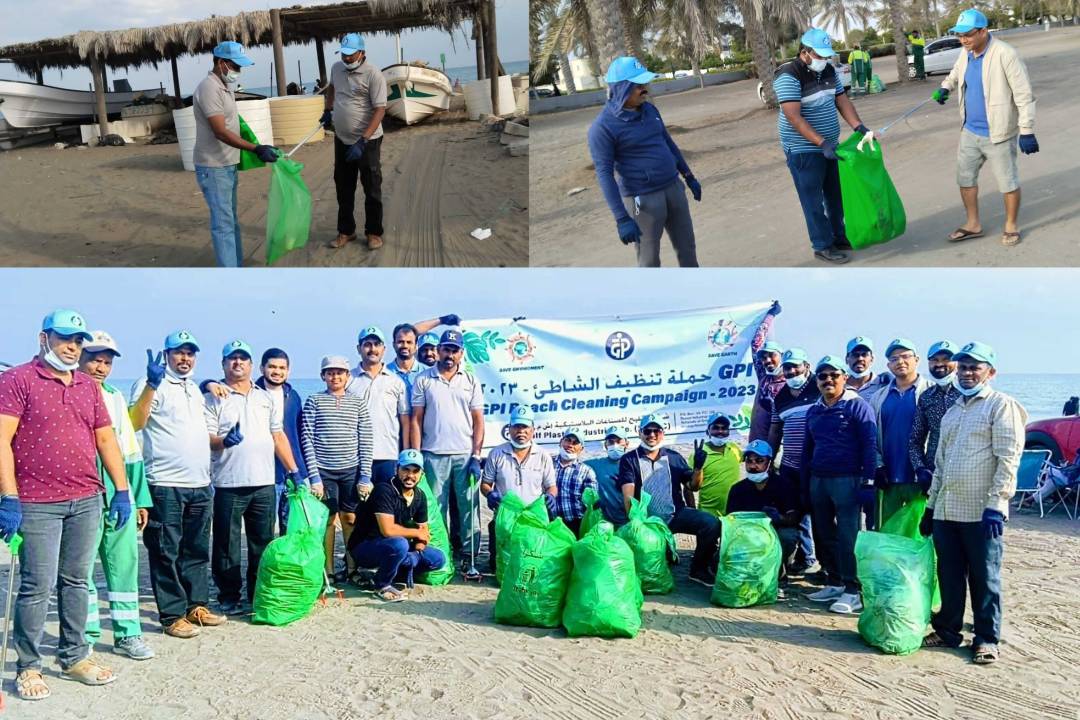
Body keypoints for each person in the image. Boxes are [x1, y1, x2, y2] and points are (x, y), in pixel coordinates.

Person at [0, 310, 132, 700]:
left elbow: (106, 439)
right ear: (44, 338)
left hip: (86, 499)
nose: (73, 347)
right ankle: (28, 666)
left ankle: (74, 657)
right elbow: (1, 440)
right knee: (37, 585)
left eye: (78, 341)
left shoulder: (88, 386)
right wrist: (8, 497)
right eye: (65, 338)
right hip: (36, 502)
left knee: (76, 581)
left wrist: (122, 490)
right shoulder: (17, 379)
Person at [919, 342, 1027, 664]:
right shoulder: (953, 412)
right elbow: (941, 464)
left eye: (974, 367)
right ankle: (948, 631)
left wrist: (997, 504)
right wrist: (930, 507)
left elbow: (1008, 459)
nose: (967, 373)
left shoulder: (1001, 406)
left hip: (982, 512)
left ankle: (986, 638)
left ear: (990, 372)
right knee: (949, 576)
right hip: (947, 509)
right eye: (963, 367)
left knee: (985, 578)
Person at [130, 330, 226, 639]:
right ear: (167, 354)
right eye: (178, 352)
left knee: (196, 550)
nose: (185, 358)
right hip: (165, 482)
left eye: (190, 353)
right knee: (165, 551)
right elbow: (135, 422)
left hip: (200, 483)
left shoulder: (193, 389)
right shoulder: (150, 384)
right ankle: (171, 615)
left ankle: (196, 606)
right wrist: (151, 384)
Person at [204, 340, 304, 615]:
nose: (238, 363)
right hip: (228, 483)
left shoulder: (265, 397)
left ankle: (257, 592)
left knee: (263, 542)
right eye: (232, 359)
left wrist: (294, 471)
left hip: (264, 483)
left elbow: (278, 435)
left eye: (243, 359)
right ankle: (228, 596)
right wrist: (224, 441)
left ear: (251, 365)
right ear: (223, 364)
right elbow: (207, 438)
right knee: (226, 545)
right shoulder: (214, 396)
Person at [78, 331, 155, 661]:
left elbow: (130, 450)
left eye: (107, 362)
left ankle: (128, 634)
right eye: (95, 360)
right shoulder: (67, 393)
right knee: (81, 569)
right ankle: (85, 635)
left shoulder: (114, 397)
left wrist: (139, 498)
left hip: (119, 495)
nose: (101, 367)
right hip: (82, 494)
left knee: (125, 566)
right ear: (79, 358)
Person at [933, 8, 1038, 247]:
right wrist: (945, 87)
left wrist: (1027, 130)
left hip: (998, 133)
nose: (963, 40)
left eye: (968, 34)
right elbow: (955, 74)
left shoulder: (1005, 54)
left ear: (983, 31)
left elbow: (1024, 95)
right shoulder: (966, 53)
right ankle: (973, 224)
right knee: (965, 179)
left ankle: (1011, 225)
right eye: (960, 35)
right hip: (969, 131)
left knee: (1007, 182)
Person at [587, 56, 701, 268]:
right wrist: (621, 218)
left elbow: (668, 143)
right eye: (638, 85)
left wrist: (689, 176)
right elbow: (604, 174)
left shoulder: (650, 110)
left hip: (673, 189)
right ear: (621, 88)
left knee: (688, 249)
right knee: (649, 259)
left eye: (645, 83)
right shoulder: (602, 128)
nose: (644, 89)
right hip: (642, 200)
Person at [774, 28, 874, 264]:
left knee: (835, 195)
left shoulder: (828, 70)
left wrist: (859, 126)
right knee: (813, 200)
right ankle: (822, 245)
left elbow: (842, 100)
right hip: (803, 149)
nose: (824, 60)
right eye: (820, 55)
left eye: (827, 55)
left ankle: (839, 236)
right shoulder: (788, 75)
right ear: (805, 52)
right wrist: (821, 143)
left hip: (830, 145)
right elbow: (793, 117)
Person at [801, 355, 877, 615]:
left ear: (845, 377)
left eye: (834, 375)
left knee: (848, 535)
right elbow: (807, 449)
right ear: (817, 381)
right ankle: (834, 582)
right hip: (819, 479)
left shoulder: (857, 406)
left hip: (847, 479)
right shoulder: (814, 410)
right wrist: (804, 484)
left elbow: (869, 445)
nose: (828, 380)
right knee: (823, 533)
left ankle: (852, 590)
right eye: (823, 376)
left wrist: (868, 482)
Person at [192, 41, 278, 267]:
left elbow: (233, 122)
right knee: (223, 225)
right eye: (235, 66)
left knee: (230, 220)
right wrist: (256, 149)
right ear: (221, 63)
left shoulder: (225, 86)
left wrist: (258, 144)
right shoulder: (209, 88)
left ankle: (235, 265)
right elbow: (220, 131)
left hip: (227, 163)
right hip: (214, 166)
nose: (238, 71)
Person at [617, 414, 720, 586]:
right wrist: (636, 522)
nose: (652, 435)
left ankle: (698, 569)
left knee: (711, 523)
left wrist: (698, 469)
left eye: (656, 431)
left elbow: (693, 486)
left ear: (662, 433)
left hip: (675, 515)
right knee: (653, 564)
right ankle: (666, 552)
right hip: (648, 521)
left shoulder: (673, 457)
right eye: (647, 431)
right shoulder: (630, 459)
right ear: (640, 433)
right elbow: (628, 494)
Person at [410, 330, 484, 566]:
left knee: (468, 508)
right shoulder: (423, 379)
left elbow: (478, 421)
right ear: (438, 350)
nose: (449, 355)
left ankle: (470, 558)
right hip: (433, 455)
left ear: (461, 353)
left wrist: (476, 456)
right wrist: (416, 456)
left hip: (464, 455)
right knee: (436, 509)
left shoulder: (470, 380)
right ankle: (441, 555)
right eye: (446, 349)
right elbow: (416, 419)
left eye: (454, 350)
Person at [300, 355, 374, 579]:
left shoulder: (358, 402)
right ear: (323, 376)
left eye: (340, 372)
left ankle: (352, 568)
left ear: (347, 375)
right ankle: (329, 571)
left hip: (351, 470)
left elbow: (366, 438)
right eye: (330, 372)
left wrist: (365, 477)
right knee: (328, 520)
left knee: (350, 518)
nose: (335, 376)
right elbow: (307, 439)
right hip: (324, 471)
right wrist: (314, 478)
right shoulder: (314, 400)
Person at [347, 449, 446, 603]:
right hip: (365, 546)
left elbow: (424, 531)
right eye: (406, 469)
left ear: (421, 474)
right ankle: (382, 586)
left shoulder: (420, 495)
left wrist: (417, 550)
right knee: (399, 544)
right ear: (397, 469)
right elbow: (388, 530)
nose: (410, 475)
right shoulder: (384, 490)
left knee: (438, 558)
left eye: (415, 471)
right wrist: (417, 534)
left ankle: (392, 571)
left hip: (395, 546)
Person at [321, 33, 389, 250]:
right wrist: (328, 109)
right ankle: (346, 231)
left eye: (351, 54)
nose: (347, 58)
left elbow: (380, 110)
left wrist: (364, 140)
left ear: (362, 53)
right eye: (344, 54)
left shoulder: (373, 74)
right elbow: (332, 87)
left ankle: (374, 232)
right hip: (342, 139)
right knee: (343, 186)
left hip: (367, 141)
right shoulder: (336, 68)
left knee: (371, 187)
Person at [480, 407, 557, 570]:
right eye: (516, 427)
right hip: (504, 519)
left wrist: (551, 496)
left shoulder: (543, 455)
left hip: (533, 520)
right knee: (499, 567)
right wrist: (490, 493)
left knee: (529, 565)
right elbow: (485, 484)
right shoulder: (497, 453)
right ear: (509, 429)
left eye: (525, 427)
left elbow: (551, 486)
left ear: (532, 430)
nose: (520, 431)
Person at [866, 338, 931, 528]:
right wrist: (878, 466)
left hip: (921, 479)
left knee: (919, 534)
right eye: (894, 359)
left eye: (905, 356)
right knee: (887, 532)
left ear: (916, 360)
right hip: (888, 479)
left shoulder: (930, 392)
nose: (900, 362)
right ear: (888, 365)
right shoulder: (879, 397)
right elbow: (872, 437)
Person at [767, 347, 820, 575]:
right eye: (787, 367)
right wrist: (769, 460)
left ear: (806, 366)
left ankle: (825, 563)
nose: (791, 371)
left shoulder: (820, 386)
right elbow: (775, 430)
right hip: (789, 465)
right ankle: (806, 558)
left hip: (816, 465)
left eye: (795, 366)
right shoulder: (780, 397)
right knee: (796, 512)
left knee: (820, 513)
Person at [726, 440, 801, 579]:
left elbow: (794, 517)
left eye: (759, 461)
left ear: (769, 463)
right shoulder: (737, 489)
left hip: (775, 531)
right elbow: (730, 520)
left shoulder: (784, 485)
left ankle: (780, 568)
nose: (753, 466)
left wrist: (780, 518)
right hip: (748, 533)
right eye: (749, 461)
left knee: (788, 536)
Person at [348, 326, 410, 486]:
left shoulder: (396, 382)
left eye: (377, 344)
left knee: (387, 501)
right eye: (367, 344)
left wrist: (406, 455)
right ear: (359, 349)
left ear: (384, 349)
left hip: (388, 455)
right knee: (356, 502)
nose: (372, 349)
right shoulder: (348, 379)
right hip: (355, 457)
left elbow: (405, 422)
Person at [910, 341, 963, 496]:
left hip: (966, 474)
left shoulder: (968, 394)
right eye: (934, 360)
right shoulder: (927, 397)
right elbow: (914, 440)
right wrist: (920, 469)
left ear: (957, 362)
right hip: (934, 477)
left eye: (946, 359)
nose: (939, 364)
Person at [385, 315, 460, 403]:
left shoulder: (432, 374)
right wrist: (442, 320)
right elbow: (409, 332)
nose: (428, 353)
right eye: (424, 350)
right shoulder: (385, 373)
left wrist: (442, 320)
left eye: (432, 349)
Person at [583, 425, 632, 526]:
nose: (615, 445)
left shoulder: (633, 465)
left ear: (626, 444)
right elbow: (574, 465)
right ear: (606, 445)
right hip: (603, 525)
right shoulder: (595, 465)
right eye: (611, 442)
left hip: (628, 523)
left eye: (618, 441)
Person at [749, 301, 783, 442]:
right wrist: (770, 316)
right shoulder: (763, 377)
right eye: (764, 357)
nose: (767, 360)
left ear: (781, 355)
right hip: (759, 442)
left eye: (771, 355)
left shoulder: (791, 381)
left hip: (780, 443)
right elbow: (756, 344)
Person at [552, 427, 597, 536]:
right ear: (561, 442)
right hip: (550, 525)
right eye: (568, 440)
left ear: (581, 448)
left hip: (576, 525)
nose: (570, 445)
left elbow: (591, 504)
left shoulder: (586, 471)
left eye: (575, 443)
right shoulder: (547, 464)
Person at [697, 413, 744, 518]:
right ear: (707, 431)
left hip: (733, 513)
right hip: (708, 514)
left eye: (724, 428)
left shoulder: (734, 448)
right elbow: (690, 487)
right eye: (716, 428)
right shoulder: (700, 454)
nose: (720, 431)